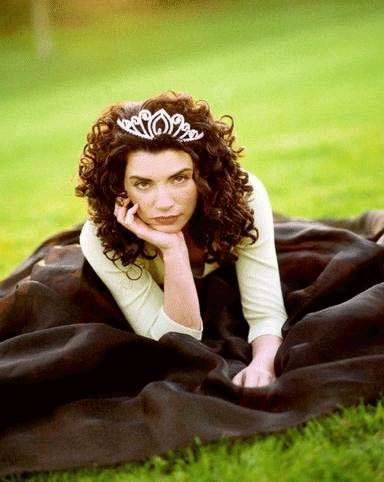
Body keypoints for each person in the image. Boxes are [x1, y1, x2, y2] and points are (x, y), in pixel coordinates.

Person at [75, 90, 288, 389]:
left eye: (179, 178)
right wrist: (173, 249)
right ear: (119, 188)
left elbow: (266, 313)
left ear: (204, 175)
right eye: (143, 184)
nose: (164, 203)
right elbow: (176, 345)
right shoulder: (101, 239)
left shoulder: (244, 198)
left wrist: (263, 364)